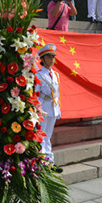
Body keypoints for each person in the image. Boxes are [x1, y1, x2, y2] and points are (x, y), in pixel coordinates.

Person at [35, 44, 63, 173]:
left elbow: (57, 93)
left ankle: (49, 161)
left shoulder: (56, 74)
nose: (52, 60)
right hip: (43, 108)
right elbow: (36, 94)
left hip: (53, 108)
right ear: (42, 59)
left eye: (53, 57)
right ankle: (42, 162)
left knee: (48, 136)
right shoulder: (39, 75)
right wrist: (38, 109)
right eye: (49, 57)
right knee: (42, 136)